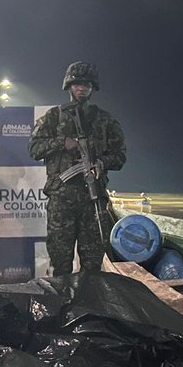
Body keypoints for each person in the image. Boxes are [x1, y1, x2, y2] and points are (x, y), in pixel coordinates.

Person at [28, 61, 126, 275]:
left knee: (92, 263)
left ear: (93, 88)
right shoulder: (53, 117)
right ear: (69, 86)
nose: (82, 88)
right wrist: (62, 143)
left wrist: (102, 163)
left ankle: (90, 304)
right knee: (60, 263)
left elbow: (120, 156)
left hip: (93, 200)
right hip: (62, 202)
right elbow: (34, 149)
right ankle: (63, 306)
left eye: (87, 84)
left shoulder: (104, 120)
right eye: (77, 84)